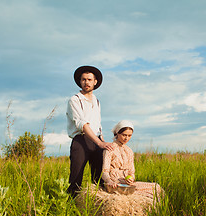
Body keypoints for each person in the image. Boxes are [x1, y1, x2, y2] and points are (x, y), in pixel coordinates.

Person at [66, 65, 114, 198]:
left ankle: (97, 208)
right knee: (76, 178)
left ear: (95, 82)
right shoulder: (74, 100)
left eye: (89, 79)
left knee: (99, 178)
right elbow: (82, 124)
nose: (86, 82)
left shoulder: (96, 101)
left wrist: (102, 141)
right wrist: (100, 143)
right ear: (80, 81)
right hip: (81, 140)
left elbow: (97, 123)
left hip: (97, 139)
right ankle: (71, 209)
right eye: (83, 80)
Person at [102, 120, 163, 200]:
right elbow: (104, 172)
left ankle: (156, 211)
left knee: (156, 187)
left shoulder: (129, 151)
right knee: (150, 191)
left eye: (129, 135)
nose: (126, 138)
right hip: (116, 183)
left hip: (128, 184)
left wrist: (131, 178)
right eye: (124, 135)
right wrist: (109, 181)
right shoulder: (110, 149)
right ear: (117, 133)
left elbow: (131, 172)